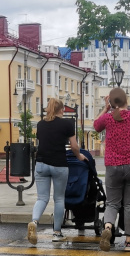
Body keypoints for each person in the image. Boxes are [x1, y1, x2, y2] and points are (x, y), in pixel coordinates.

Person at [93, 88, 130, 252]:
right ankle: (129, 242)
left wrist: (106, 108)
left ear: (111, 102)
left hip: (113, 166)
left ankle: (108, 227)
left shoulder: (108, 118)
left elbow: (96, 125)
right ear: (126, 100)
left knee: (112, 203)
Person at [27, 99, 86, 245]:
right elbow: (74, 146)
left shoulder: (40, 124)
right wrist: (79, 156)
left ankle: (34, 222)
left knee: (42, 198)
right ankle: (57, 233)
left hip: (41, 164)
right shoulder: (67, 124)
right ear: (61, 110)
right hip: (59, 165)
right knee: (59, 199)